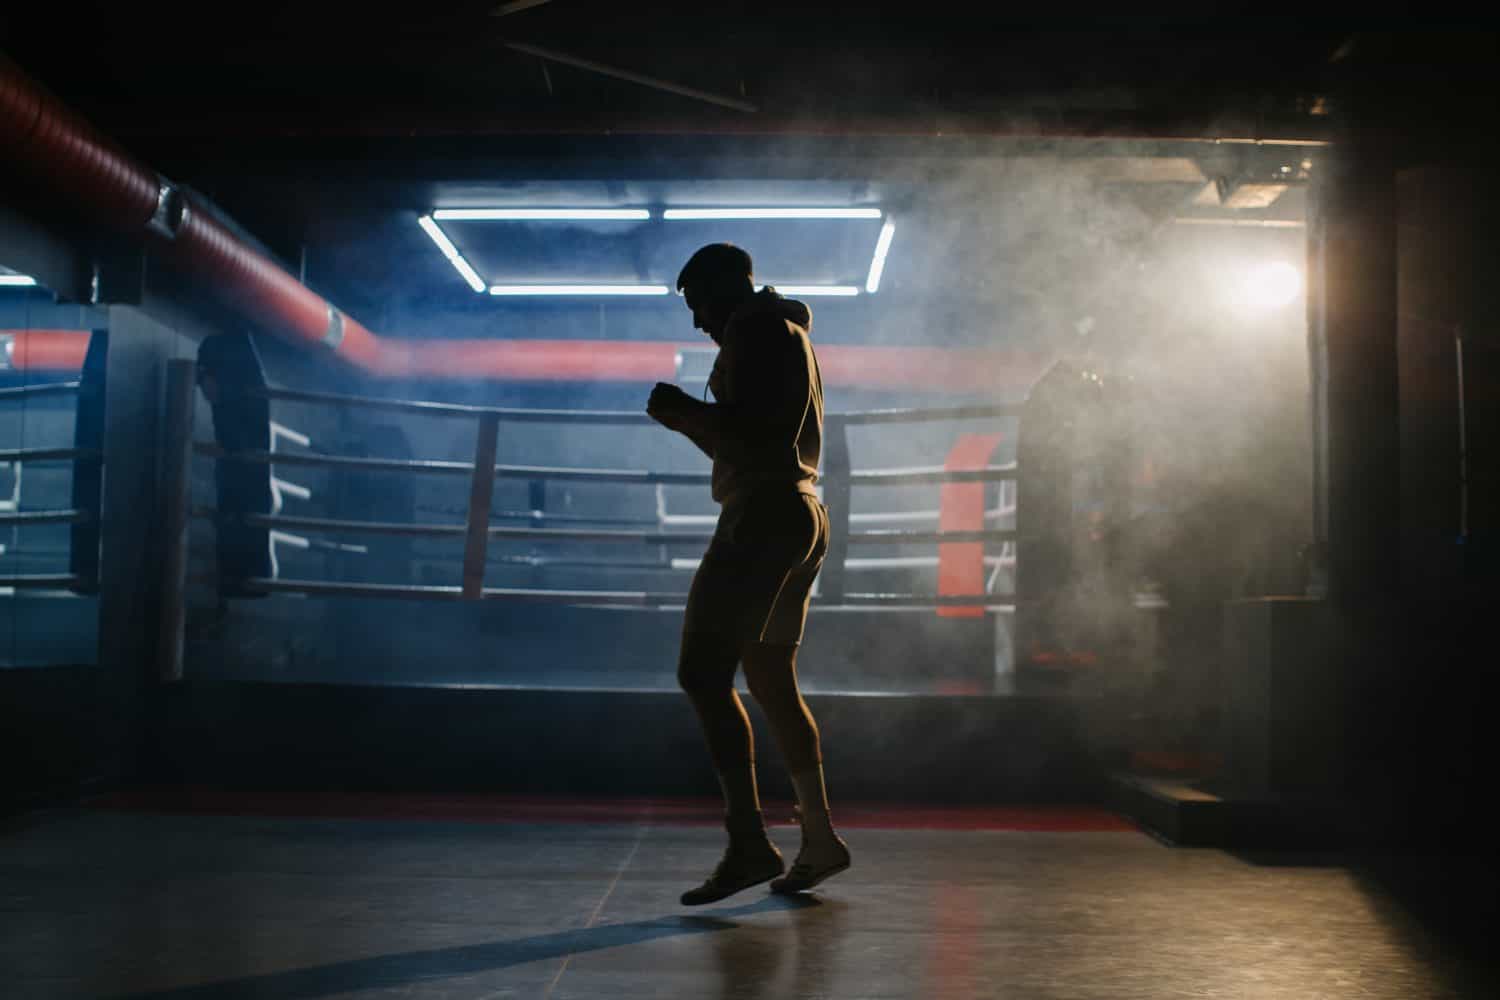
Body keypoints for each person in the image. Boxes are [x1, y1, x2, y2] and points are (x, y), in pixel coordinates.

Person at [646, 243, 851, 905]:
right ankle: (818, 837)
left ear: (726, 289)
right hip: (803, 511)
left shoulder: (752, 329)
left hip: (761, 511)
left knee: (702, 673)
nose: (697, 322)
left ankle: (748, 842)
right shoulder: (786, 332)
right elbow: (763, 432)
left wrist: (685, 413)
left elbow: (755, 438)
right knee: (768, 679)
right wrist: (692, 421)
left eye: (699, 304)